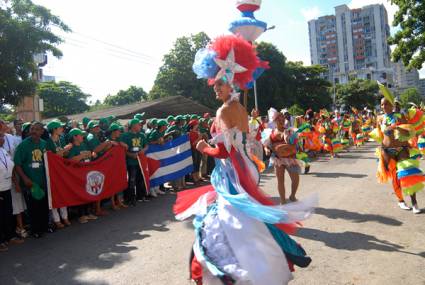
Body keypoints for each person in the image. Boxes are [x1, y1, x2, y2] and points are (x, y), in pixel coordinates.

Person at [178, 35, 315, 284]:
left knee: (228, 221)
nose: (216, 88)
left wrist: (201, 147)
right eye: (215, 84)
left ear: (231, 83)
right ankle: (262, 261)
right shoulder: (240, 109)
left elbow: (223, 152)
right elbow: (242, 143)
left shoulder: (223, 111)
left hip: (232, 171)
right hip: (246, 167)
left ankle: (240, 269)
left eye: (220, 84)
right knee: (245, 218)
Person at [376, 97, 422, 213]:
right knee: (395, 177)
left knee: (408, 175)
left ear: (392, 105)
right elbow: (379, 136)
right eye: (382, 105)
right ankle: (401, 201)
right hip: (387, 151)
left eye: (386, 104)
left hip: (402, 149)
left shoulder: (400, 116)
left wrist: (397, 127)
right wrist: (381, 151)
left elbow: (409, 132)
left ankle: (415, 203)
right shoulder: (380, 118)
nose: (384, 107)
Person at [14, 122, 49, 238]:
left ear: (42, 131)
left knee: (43, 205)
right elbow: (17, 164)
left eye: (37, 129)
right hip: (30, 182)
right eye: (32, 129)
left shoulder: (44, 143)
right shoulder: (23, 145)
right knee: (33, 207)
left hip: (42, 181)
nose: (33, 131)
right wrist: (24, 178)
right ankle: (35, 230)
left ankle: (45, 226)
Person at [264, 108, 302, 204]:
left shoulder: (290, 131)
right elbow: (266, 145)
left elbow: (296, 144)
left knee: (295, 179)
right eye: (279, 119)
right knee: (280, 180)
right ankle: (283, 201)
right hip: (278, 159)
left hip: (290, 158)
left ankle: (292, 196)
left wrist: (292, 147)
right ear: (275, 121)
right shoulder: (270, 132)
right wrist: (267, 150)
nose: (281, 121)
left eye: (282, 119)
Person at [67, 128, 99, 223]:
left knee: (88, 192)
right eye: (80, 135)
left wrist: (92, 155)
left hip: (87, 172)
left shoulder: (84, 145)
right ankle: (81, 215)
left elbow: (89, 154)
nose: (82, 137)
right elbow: (71, 160)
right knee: (81, 194)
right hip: (78, 174)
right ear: (75, 137)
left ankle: (88, 213)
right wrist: (82, 156)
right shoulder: (72, 148)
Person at [0, 132, 24, 251]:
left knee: (7, 213)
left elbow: (11, 167)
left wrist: (15, 183)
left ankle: (9, 236)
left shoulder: (3, 151)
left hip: (7, 187)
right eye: (0, 137)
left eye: (2, 136)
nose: (3, 139)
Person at [46, 120, 72, 229]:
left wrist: (66, 151)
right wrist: (64, 149)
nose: (62, 129)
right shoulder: (48, 142)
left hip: (61, 169)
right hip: (52, 171)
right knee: (55, 194)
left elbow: (64, 155)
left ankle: (65, 217)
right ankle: (56, 219)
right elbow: (51, 157)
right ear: (54, 130)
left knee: (63, 193)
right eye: (60, 128)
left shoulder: (61, 139)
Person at [120, 119, 149, 204]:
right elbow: (121, 149)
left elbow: (146, 145)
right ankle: (130, 198)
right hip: (131, 161)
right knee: (132, 180)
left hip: (141, 161)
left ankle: (141, 196)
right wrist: (130, 155)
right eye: (138, 124)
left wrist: (143, 150)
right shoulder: (125, 136)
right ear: (133, 126)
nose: (140, 126)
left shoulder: (142, 135)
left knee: (141, 179)